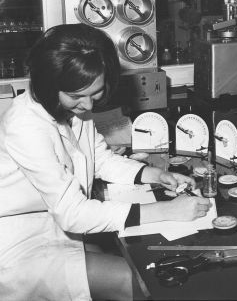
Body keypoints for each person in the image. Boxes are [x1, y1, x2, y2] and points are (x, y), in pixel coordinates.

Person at [0, 23, 211, 300]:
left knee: (134, 264)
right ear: (48, 85)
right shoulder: (25, 125)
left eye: (95, 93)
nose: (88, 106)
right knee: (136, 278)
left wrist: (154, 174)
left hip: (57, 228)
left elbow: (98, 159)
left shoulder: (72, 108)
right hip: (19, 241)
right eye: (77, 96)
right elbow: (72, 213)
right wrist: (166, 211)